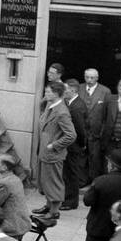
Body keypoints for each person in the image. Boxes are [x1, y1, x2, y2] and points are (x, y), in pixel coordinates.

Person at [34, 81, 76, 222]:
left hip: (53, 153)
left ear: (57, 94)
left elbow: (71, 135)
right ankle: (48, 205)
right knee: (45, 181)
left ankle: (54, 211)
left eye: (48, 92)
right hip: (44, 152)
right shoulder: (49, 105)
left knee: (54, 182)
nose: (46, 94)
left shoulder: (62, 112)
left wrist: (55, 145)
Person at [78, 68, 112, 180]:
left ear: (97, 78)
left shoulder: (105, 91)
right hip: (81, 130)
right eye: (87, 77)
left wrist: (103, 131)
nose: (89, 80)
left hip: (96, 132)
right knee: (81, 156)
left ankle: (94, 181)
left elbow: (108, 114)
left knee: (95, 157)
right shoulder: (79, 88)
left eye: (92, 77)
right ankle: (82, 180)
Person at [61, 79, 89, 209]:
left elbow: (80, 129)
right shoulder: (72, 104)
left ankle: (70, 202)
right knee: (68, 173)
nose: (64, 92)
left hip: (74, 146)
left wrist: (82, 145)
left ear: (73, 90)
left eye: (65, 89)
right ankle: (68, 199)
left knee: (71, 174)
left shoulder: (76, 107)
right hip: (73, 145)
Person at [0, 155, 30, 240]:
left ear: (4, 167)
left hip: (11, 226)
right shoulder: (15, 179)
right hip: (20, 223)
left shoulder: (5, 183)